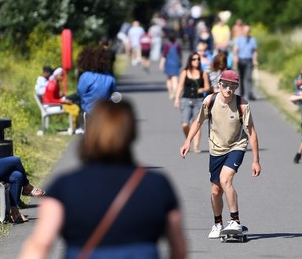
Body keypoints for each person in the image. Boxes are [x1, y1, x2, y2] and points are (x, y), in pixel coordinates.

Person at [19, 100, 187, 259]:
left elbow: (40, 245)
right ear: (131, 135)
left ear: (90, 134)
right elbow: (178, 249)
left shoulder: (64, 186)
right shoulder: (157, 185)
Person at [179, 70, 261, 239]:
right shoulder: (210, 100)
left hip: (237, 145)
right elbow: (198, 121)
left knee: (225, 179)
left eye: (233, 86)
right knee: (216, 190)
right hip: (216, 148)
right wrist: (188, 141)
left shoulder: (242, 105)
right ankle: (218, 223)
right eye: (225, 85)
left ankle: (235, 220)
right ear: (220, 85)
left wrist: (256, 160)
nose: (228, 89)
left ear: (237, 87)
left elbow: (251, 132)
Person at [174, 53, 211, 153]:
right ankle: (188, 140)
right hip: (186, 100)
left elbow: (208, 87)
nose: (197, 61)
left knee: (197, 123)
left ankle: (196, 146)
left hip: (198, 101)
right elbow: (180, 86)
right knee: (185, 124)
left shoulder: (203, 73)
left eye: (198, 59)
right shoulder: (185, 72)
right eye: (194, 59)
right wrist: (177, 98)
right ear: (190, 61)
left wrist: (202, 89)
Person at [77, 47, 116, 115]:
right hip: (105, 111)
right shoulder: (110, 77)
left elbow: (80, 92)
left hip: (89, 111)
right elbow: (114, 93)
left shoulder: (85, 76)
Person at [42, 67, 81, 133]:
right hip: (50, 106)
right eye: (61, 75)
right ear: (56, 75)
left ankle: (76, 127)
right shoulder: (52, 85)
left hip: (53, 104)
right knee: (75, 107)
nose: (63, 77)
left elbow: (55, 97)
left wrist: (61, 96)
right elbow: (50, 100)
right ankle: (75, 127)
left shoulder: (55, 83)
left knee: (75, 103)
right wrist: (63, 101)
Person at [233, 24, 258, 100]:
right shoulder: (239, 39)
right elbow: (235, 49)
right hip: (241, 60)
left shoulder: (252, 39)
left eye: (248, 31)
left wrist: (255, 60)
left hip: (249, 60)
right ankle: (242, 93)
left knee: (249, 77)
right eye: (245, 31)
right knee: (241, 77)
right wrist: (236, 56)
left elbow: (255, 51)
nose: (247, 32)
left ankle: (250, 93)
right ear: (243, 31)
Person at [160, 34, 182, 99]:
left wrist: (161, 63)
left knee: (169, 78)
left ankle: (170, 93)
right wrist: (180, 62)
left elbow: (164, 55)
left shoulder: (167, 45)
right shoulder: (178, 45)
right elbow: (180, 55)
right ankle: (175, 92)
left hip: (168, 63)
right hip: (175, 63)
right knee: (175, 78)